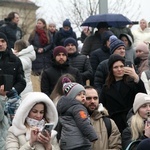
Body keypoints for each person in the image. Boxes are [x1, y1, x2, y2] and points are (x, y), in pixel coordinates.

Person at [100, 54, 146, 133]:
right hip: (115, 123)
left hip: (131, 121)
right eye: (116, 67)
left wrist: (136, 77)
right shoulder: (106, 88)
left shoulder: (132, 84)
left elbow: (143, 98)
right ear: (111, 69)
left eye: (121, 66)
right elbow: (101, 106)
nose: (119, 69)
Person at [57, 79, 98, 150]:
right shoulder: (78, 108)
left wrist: (58, 138)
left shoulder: (64, 108)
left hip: (67, 144)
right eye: (79, 94)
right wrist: (92, 136)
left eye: (83, 94)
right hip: (79, 144)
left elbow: (60, 126)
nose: (83, 96)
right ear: (72, 97)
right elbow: (83, 122)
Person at [84, 86, 122, 150]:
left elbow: (116, 147)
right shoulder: (73, 121)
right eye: (88, 98)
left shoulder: (109, 123)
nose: (92, 101)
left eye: (95, 98)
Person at [0, 32, 26, 97]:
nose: (0, 44)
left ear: (6, 43)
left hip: (10, 99)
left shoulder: (15, 60)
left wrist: (13, 91)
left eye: (2, 41)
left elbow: (21, 81)